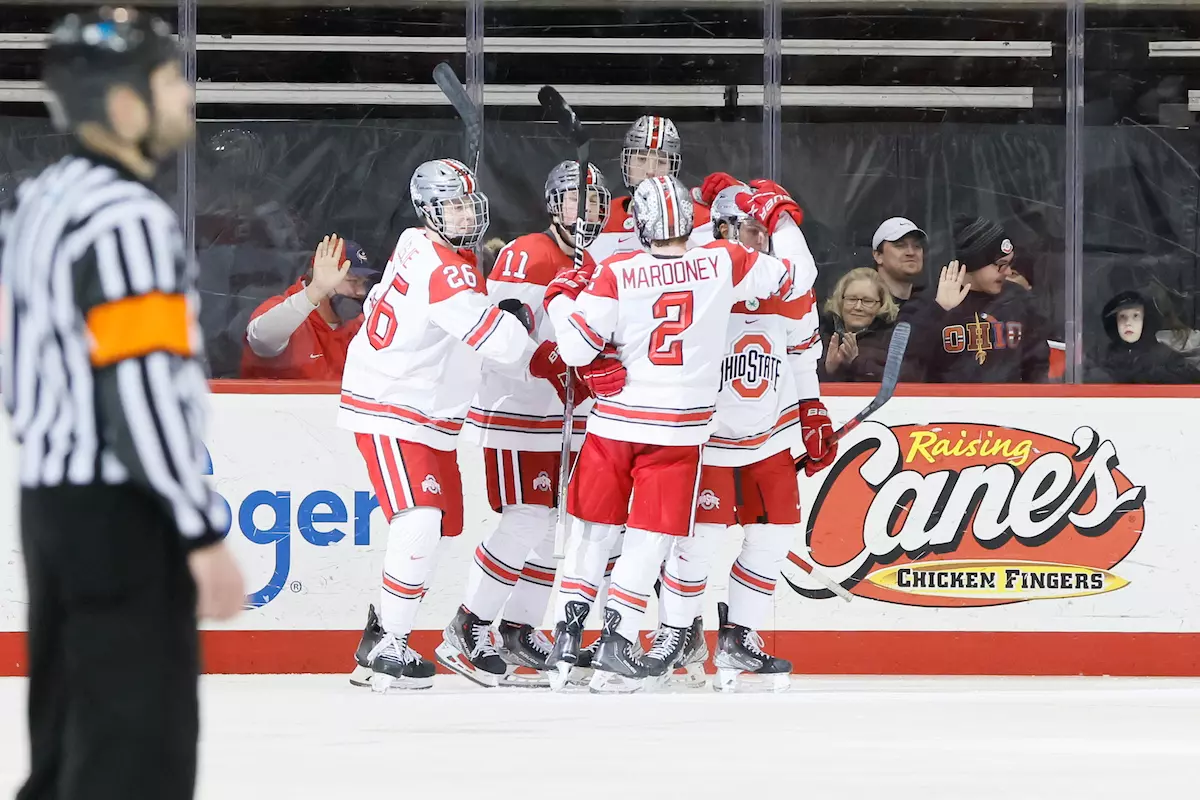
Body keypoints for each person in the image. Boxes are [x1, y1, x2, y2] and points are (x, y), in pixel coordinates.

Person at [0, 9, 244, 800]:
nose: (185, 99)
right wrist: (199, 529)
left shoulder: (37, 204)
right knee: (133, 760)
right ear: (124, 104)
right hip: (123, 517)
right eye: (170, 81)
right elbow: (138, 389)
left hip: (51, 507)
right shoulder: (128, 219)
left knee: (70, 746)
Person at [543, 175, 798, 693]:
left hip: (614, 421)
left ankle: (569, 632)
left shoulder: (617, 269)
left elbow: (574, 351)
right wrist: (782, 217)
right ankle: (616, 637)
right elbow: (794, 276)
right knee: (649, 536)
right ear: (690, 218)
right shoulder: (724, 261)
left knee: (595, 527)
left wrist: (560, 301)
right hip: (678, 429)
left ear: (638, 222)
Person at [337, 158, 551, 692]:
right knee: (420, 521)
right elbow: (498, 343)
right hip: (393, 405)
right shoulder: (447, 267)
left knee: (435, 528)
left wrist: (488, 309)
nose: (464, 214)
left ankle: (383, 638)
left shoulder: (415, 242)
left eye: (467, 203)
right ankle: (389, 641)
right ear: (430, 208)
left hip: (423, 412)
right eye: (452, 205)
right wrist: (519, 325)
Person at [647, 180, 830, 692]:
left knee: (770, 538)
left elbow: (800, 350)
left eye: (767, 231)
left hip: (768, 434)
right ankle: (673, 634)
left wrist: (812, 408)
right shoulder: (704, 270)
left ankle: (739, 636)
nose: (762, 238)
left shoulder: (780, 281)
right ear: (724, 227)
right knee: (698, 541)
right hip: (707, 434)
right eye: (753, 228)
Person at [452, 160, 618, 686]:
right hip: (517, 412)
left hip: (569, 416)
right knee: (526, 519)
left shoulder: (599, 257)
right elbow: (502, 335)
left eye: (594, 201)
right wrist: (550, 362)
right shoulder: (527, 252)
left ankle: (519, 629)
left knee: (551, 526)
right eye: (575, 200)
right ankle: (468, 623)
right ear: (553, 204)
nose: (586, 210)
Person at [897, 215, 1050, 383]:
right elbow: (902, 359)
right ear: (975, 262)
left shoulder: (1018, 300)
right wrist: (937, 310)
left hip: (1007, 406)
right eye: (1000, 264)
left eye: (1009, 263)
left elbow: (1037, 365)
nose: (1007, 272)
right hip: (947, 406)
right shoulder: (927, 302)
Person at [240, 234, 381, 380]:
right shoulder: (286, 313)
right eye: (352, 281)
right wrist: (316, 290)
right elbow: (263, 339)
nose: (361, 291)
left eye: (363, 283)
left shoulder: (361, 325)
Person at [587, 115, 712, 263]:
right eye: (641, 159)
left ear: (673, 168)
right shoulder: (602, 216)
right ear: (625, 163)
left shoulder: (700, 217)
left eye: (661, 161)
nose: (651, 170)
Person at [819, 267, 914, 382]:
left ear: (882, 305)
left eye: (867, 301)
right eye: (852, 299)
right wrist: (829, 369)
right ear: (841, 301)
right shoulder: (820, 335)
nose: (858, 307)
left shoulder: (894, 341)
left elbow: (903, 381)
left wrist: (855, 362)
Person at [1087, 290, 1200, 384]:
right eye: (1122, 316)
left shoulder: (1165, 356)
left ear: (1145, 320)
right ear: (1114, 322)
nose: (1128, 323)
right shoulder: (1101, 356)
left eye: (1135, 316)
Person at [871, 216, 927, 307]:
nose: (911, 252)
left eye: (917, 246)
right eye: (900, 245)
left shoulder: (928, 304)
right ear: (878, 255)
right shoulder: (864, 304)